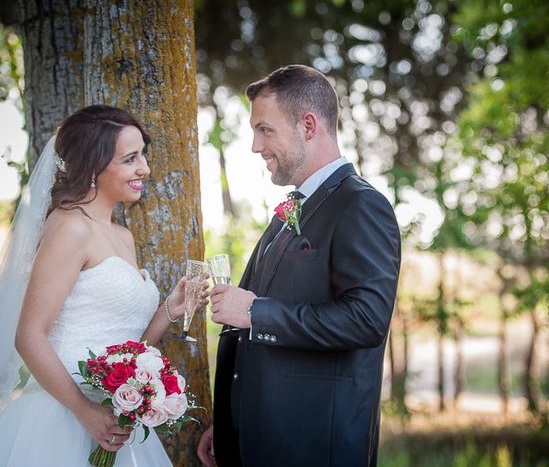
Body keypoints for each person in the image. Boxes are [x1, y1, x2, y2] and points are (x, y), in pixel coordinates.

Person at [197, 65, 401, 466]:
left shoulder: (360, 205)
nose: (256, 146)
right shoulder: (291, 209)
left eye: (265, 130)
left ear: (308, 125)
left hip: (312, 447)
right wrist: (232, 422)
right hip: (259, 439)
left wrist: (256, 312)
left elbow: (366, 318)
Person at [0, 105, 207, 466]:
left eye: (142, 154)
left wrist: (170, 309)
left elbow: (127, 347)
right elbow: (29, 335)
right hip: (62, 416)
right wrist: (84, 411)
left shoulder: (123, 237)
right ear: (93, 166)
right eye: (130, 158)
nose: (144, 168)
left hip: (113, 419)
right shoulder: (70, 228)